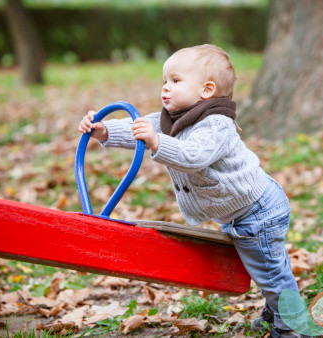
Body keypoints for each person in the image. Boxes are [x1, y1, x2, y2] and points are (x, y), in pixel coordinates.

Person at [78, 44, 305, 337]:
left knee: (271, 272)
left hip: (258, 211)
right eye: (164, 81)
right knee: (268, 266)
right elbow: (138, 127)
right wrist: (103, 131)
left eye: (175, 80)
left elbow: (194, 155)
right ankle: (277, 311)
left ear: (207, 90)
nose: (165, 88)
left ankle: (293, 327)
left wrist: (157, 143)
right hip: (240, 212)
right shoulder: (171, 119)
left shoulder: (216, 124)